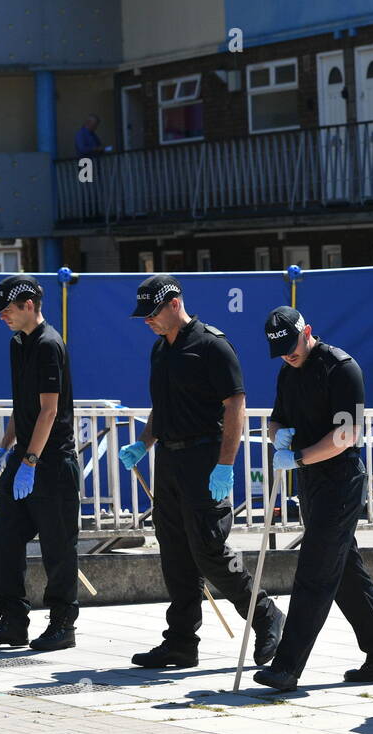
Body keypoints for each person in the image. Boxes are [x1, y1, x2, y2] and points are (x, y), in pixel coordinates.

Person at [118, 274, 285, 669]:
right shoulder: (161, 350)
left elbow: (235, 407)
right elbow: (162, 405)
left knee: (209, 550)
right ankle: (180, 641)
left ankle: (267, 616)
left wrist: (225, 466)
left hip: (204, 459)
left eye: (152, 312)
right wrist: (145, 443)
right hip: (170, 461)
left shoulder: (212, 345)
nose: (147, 321)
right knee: (174, 554)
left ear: (174, 303)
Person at [251, 307, 373, 691]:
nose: (288, 354)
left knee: (316, 571)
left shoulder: (340, 367)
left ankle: (287, 666)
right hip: (310, 479)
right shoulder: (288, 371)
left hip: (340, 478)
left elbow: (347, 435)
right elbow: (276, 419)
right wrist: (277, 436)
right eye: (280, 350)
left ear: (308, 332)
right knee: (346, 571)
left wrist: (299, 455)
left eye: (292, 346)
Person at [0, 275, 80, 652]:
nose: (3, 316)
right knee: (4, 538)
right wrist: (6, 448)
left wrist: (31, 460)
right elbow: (24, 405)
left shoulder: (49, 344)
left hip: (51, 462)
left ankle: (62, 624)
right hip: (25, 457)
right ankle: (12, 621)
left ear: (29, 305)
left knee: (58, 547)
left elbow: (49, 411)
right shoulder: (18, 343)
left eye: (8, 309)